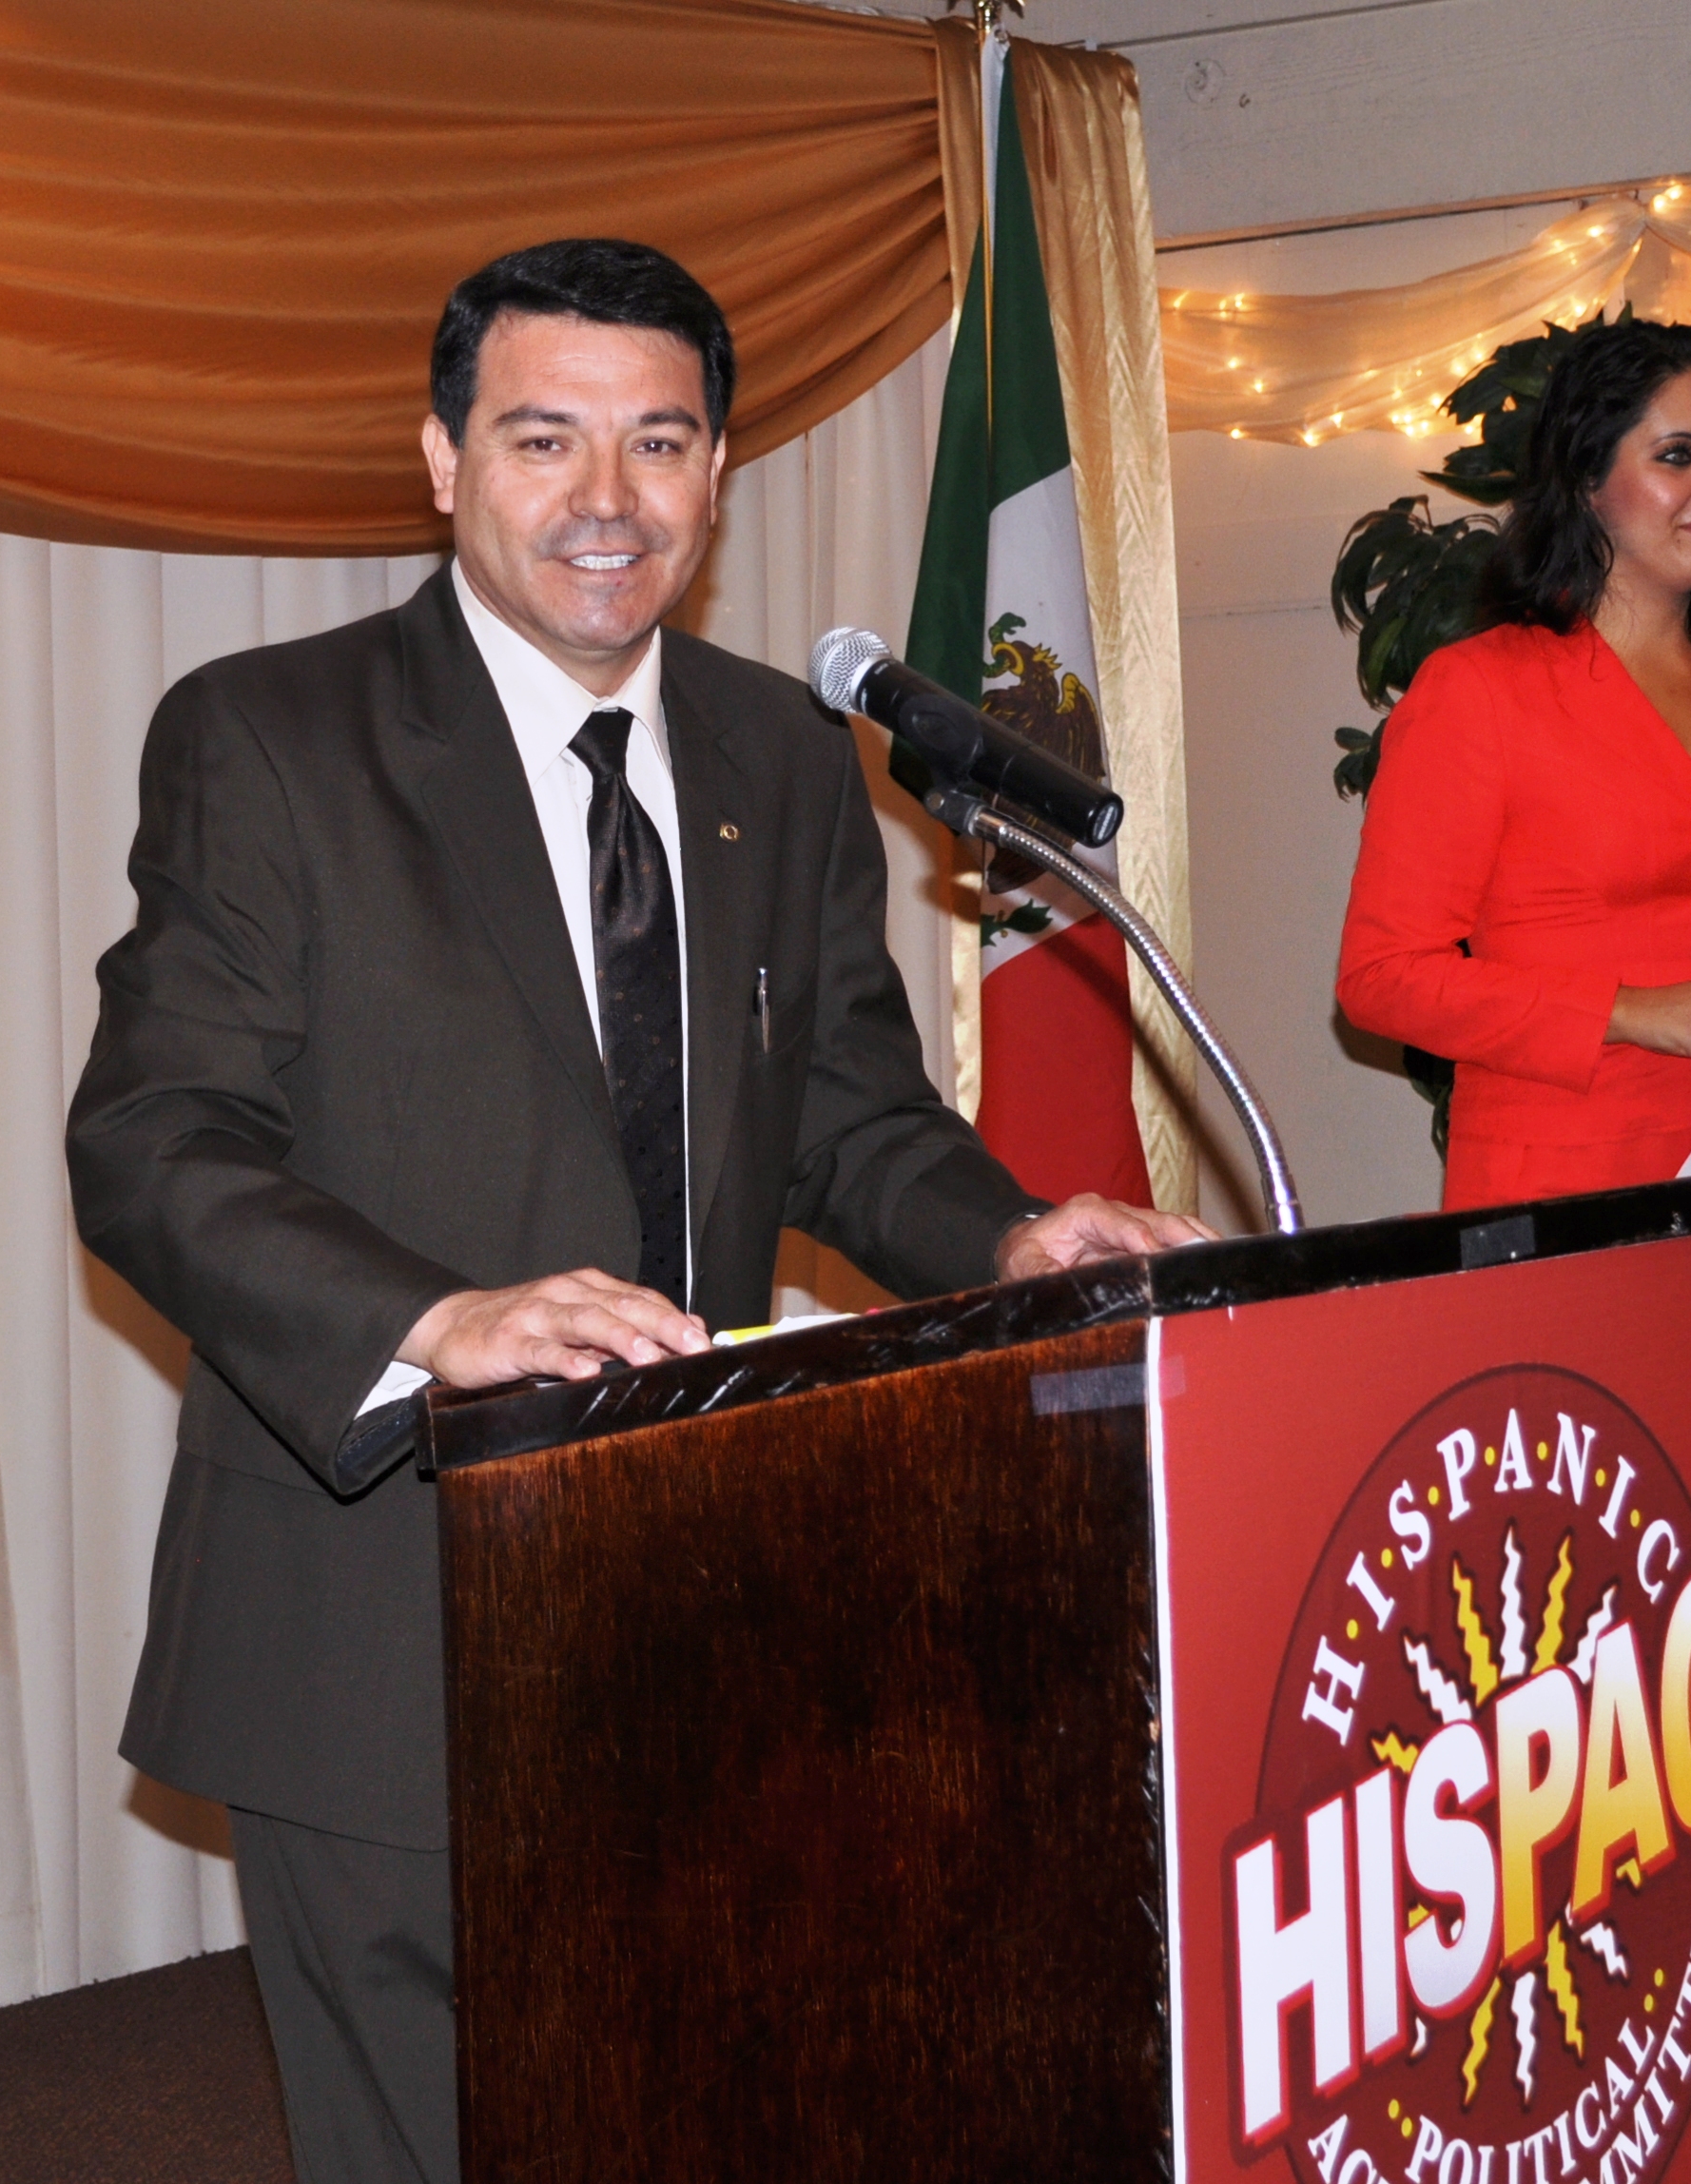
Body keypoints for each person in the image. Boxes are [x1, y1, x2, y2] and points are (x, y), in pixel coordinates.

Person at [65, 238, 1202, 2184]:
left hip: (705, 1585)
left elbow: (846, 1115)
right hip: (386, 1600)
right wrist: (440, 1320)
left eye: (659, 442)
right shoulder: (273, 736)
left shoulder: (783, 751)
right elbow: (156, 1135)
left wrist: (1015, 1236)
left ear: (718, 471)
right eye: (544, 439)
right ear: (444, 460)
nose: (608, 497)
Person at [1334, 318, 1691, 1588]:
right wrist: (1630, 1009)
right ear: (1587, 477)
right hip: (1576, 1206)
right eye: (1677, 455)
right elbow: (1381, 980)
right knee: (1580, 1613)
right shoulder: (1480, 691)